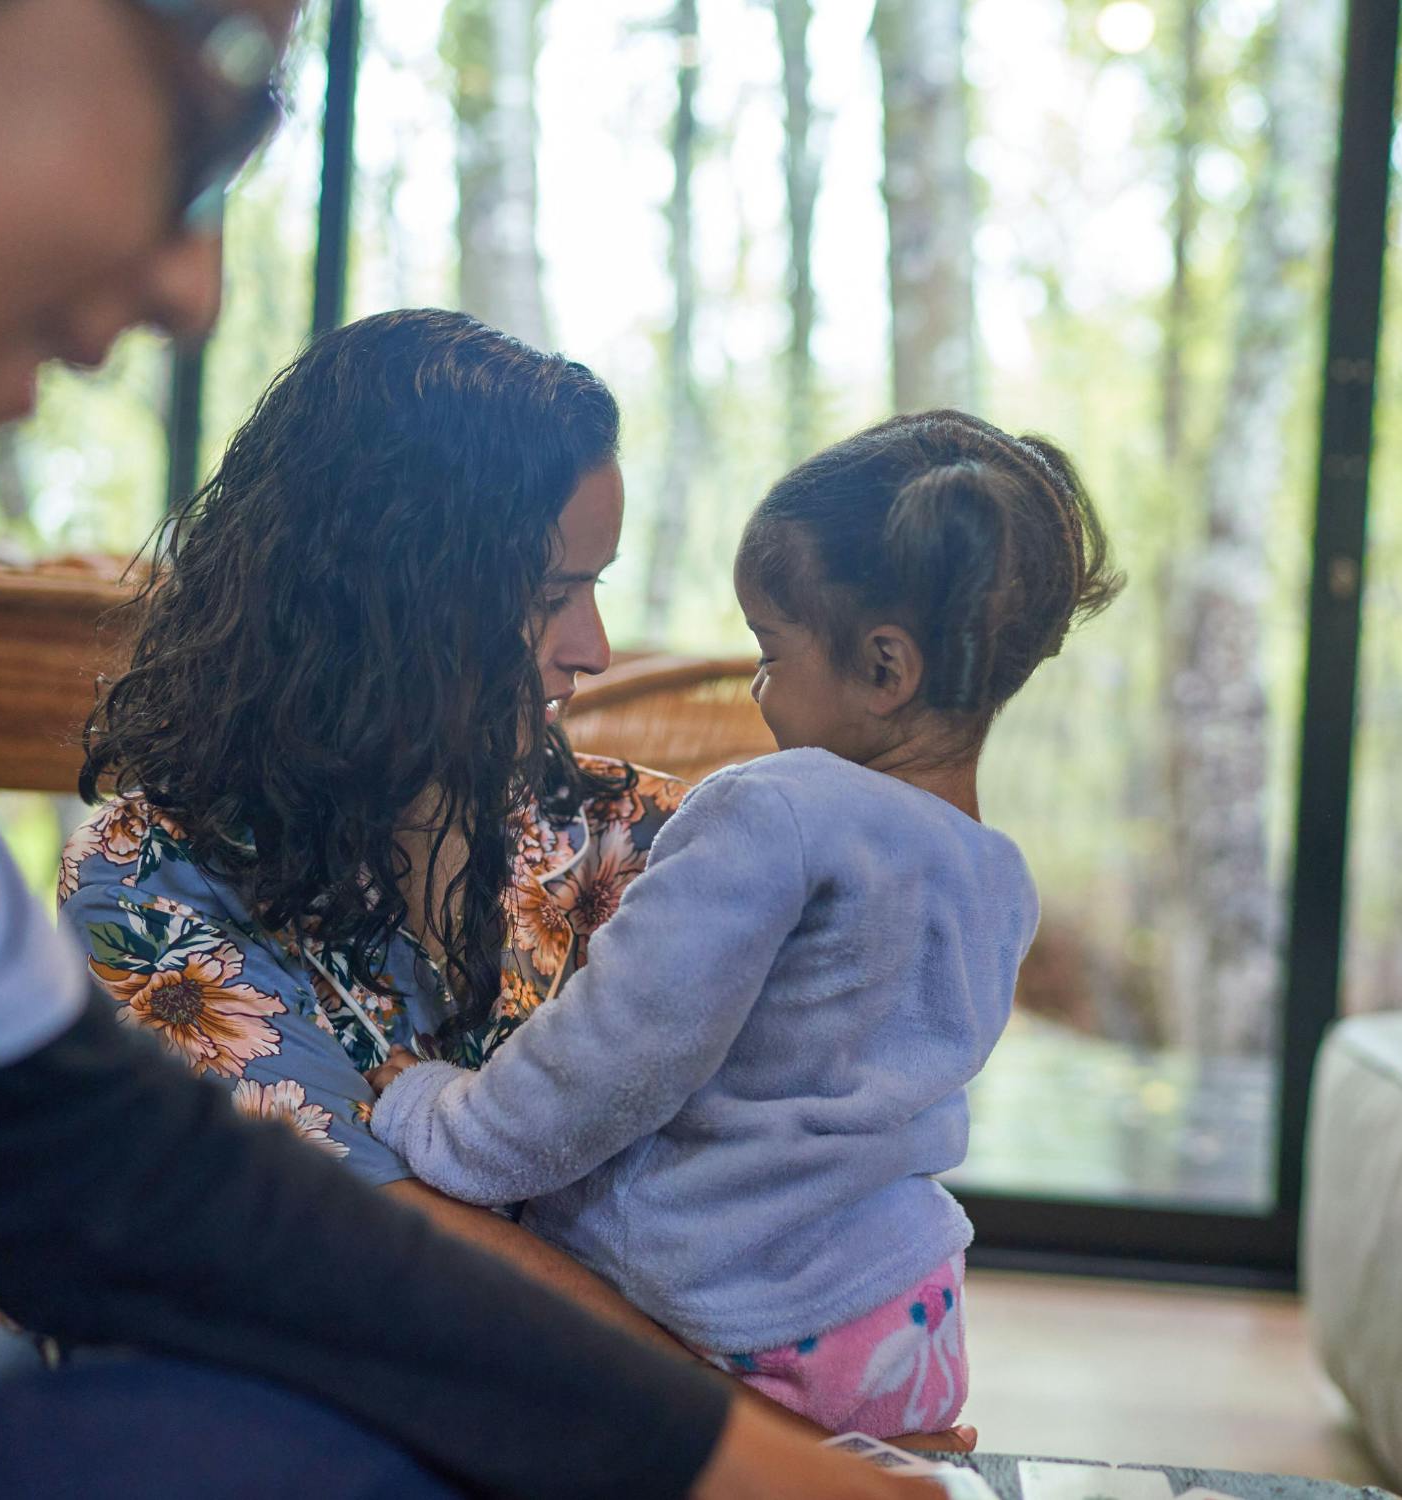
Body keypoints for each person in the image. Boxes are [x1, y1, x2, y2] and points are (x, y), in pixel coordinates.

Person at [0, 0, 960, 1494]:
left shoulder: (664, 844)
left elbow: (807, 1170)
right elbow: (336, 1248)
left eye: (597, 588)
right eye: (549, 595)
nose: (593, 649)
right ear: (384, 600)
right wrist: (774, 1441)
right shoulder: (152, 880)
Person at [365, 411, 1124, 1437]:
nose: (758, 689)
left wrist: (440, 1119)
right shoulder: (999, 878)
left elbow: (619, 1053)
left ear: (887, 669)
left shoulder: (775, 812)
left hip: (737, 1313)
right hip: (906, 1320)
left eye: (769, 652)